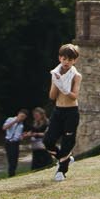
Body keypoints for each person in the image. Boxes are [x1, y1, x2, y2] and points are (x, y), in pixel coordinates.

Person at [45, 44, 82, 180]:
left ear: (74, 61)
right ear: (60, 58)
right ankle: (64, 159)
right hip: (58, 111)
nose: (66, 62)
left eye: (70, 60)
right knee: (48, 140)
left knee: (67, 141)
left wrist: (65, 88)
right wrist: (57, 82)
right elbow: (52, 96)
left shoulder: (76, 76)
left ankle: (61, 170)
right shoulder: (55, 74)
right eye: (64, 59)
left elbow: (74, 95)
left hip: (71, 112)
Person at [1, 107, 28, 177]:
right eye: (21, 116)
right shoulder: (10, 119)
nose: (22, 118)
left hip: (16, 143)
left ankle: (13, 173)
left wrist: (23, 136)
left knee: (15, 159)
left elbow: (19, 135)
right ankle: (11, 174)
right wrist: (15, 121)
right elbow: (4, 128)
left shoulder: (21, 125)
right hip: (9, 142)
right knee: (11, 159)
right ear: (18, 114)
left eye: (24, 117)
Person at [26, 107, 53, 171]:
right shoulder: (35, 123)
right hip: (35, 146)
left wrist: (37, 134)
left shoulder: (47, 123)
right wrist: (27, 134)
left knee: (45, 162)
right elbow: (32, 131)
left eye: (37, 115)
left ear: (42, 115)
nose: (35, 117)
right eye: (34, 115)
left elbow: (48, 133)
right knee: (36, 163)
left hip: (44, 146)